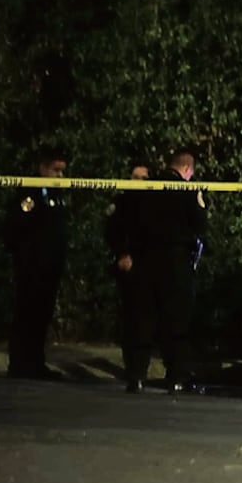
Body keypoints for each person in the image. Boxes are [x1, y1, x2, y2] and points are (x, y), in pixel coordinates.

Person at [127, 148, 208, 394]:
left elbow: (133, 222)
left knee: (144, 319)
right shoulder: (187, 191)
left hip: (146, 260)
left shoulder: (149, 187)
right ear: (187, 169)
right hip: (175, 262)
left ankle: (136, 376)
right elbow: (199, 225)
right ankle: (175, 377)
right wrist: (200, 205)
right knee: (176, 321)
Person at [2, 147, 70, 380]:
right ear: (43, 168)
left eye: (62, 171)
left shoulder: (55, 194)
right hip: (32, 267)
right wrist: (25, 257)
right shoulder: (30, 192)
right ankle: (20, 363)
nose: (60, 176)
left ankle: (35, 362)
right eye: (56, 170)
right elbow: (16, 227)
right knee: (27, 313)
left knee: (41, 315)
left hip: (50, 266)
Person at [103, 159, 151, 392]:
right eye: (135, 178)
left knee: (146, 320)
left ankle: (140, 369)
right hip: (129, 267)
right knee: (131, 318)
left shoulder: (154, 203)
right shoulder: (122, 202)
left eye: (144, 179)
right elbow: (111, 231)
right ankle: (133, 369)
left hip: (150, 266)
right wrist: (122, 253)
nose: (139, 182)